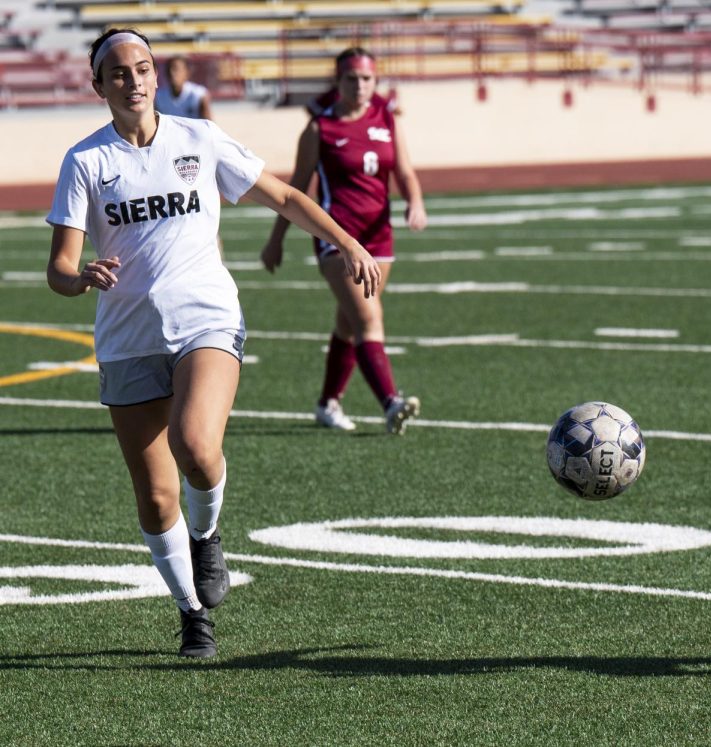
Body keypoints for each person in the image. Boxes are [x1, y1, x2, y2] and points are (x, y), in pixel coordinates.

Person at [46, 28, 381, 658]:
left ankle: (208, 536)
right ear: (99, 87)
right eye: (118, 73)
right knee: (154, 494)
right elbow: (59, 268)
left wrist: (350, 241)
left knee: (196, 446)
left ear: (156, 76)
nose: (134, 80)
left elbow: (281, 194)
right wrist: (81, 275)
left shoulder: (197, 139)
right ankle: (190, 612)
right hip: (126, 340)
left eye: (142, 68)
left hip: (206, 318)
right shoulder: (85, 162)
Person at [261, 47, 426, 434]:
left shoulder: (387, 118)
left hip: (379, 236)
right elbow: (296, 188)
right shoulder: (320, 129)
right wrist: (277, 238)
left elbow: (404, 171)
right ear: (338, 82)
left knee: (349, 323)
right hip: (337, 239)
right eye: (351, 78)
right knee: (368, 317)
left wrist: (415, 202)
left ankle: (327, 403)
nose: (360, 85)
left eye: (367, 78)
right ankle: (391, 402)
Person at [156, 56, 213, 120]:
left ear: (186, 73)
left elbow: (209, 125)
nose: (172, 73)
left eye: (176, 69)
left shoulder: (199, 95)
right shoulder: (159, 97)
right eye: (169, 69)